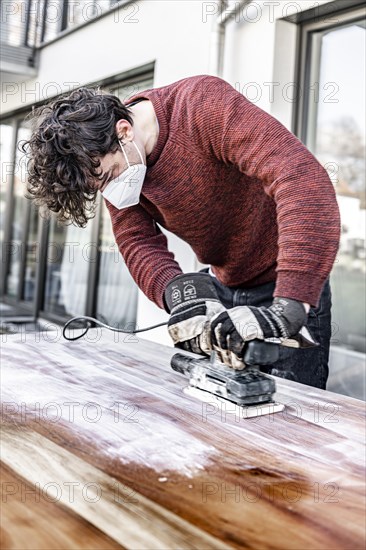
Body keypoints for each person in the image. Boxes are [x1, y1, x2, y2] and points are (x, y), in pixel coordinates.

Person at [24, 75, 340, 388]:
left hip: (285, 281)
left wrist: (291, 303)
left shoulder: (201, 106)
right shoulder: (110, 161)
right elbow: (137, 242)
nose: (112, 190)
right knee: (227, 404)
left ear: (124, 130)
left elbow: (300, 180)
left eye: (110, 177)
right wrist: (178, 293)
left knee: (295, 411)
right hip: (222, 285)